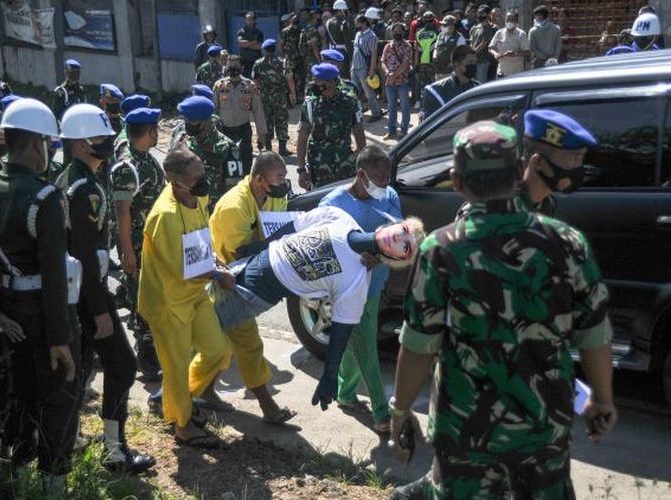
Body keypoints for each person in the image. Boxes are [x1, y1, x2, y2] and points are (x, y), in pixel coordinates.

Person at [388, 120, 616, 499]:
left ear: (456, 181)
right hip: (545, 427)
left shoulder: (440, 249)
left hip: (466, 431)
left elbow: (418, 344)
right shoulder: (567, 241)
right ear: (518, 172)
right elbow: (595, 335)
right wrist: (602, 401)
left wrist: (401, 410)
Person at [0, 98, 79, 494]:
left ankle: (14, 472)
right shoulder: (45, 197)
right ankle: (53, 483)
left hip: (7, 312)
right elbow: (53, 275)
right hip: (45, 315)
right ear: (36, 145)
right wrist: (60, 339)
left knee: (19, 392)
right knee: (59, 397)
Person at [212, 205, 424, 411]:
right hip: (249, 264)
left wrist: (329, 375)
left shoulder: (357, 281)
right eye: (404, 230)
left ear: (396, 259)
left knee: (204, 330)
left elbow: (341, 330)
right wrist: (262, 245)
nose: (399, 238)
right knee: (194, 311)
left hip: (255, 295)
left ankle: (190, 402)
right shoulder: (337, 216)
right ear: (391, 225)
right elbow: (295, 226)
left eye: (405, 247)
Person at [55, 104, 155, 473]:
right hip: (87, 294)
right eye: (103, 139)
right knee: (123, 366)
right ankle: (114, 451)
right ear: (82, 144)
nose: (110, 144)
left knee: (80, 372)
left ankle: (74, 437)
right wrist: (99, 309)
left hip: (78, 292)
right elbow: (81, 254)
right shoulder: (85, 189)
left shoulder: (74, 178)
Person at [138, 148, 235, 449]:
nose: (203, 182)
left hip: (194, 293)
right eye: (196, 178)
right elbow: (182, 268)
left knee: (218, 350)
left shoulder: (197, 197)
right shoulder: (164, 217)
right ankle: (183, 426)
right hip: (167, 302)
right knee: (176, 366)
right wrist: (218, 275)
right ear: (174, 181)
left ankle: (175, 401)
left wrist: (217, 262)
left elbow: (201, 241)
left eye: (202, 173)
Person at [207, 151, 297, 424]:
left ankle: (201, 392)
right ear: (259, 180)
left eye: (284, 176)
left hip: (243, 275)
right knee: (240, 344)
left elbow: (276, 231)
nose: (284, 183)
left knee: (225, 346)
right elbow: (238, 253)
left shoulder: (275, 195)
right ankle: (267, 405)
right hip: (222, 279)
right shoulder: (235, 206)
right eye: (278, 177)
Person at [318, 145, 400, 433]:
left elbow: (398, 234)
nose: (385, 183)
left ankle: (346, 393)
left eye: (387, 176)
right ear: (361, 175)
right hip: (347, 288)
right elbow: (321, 245)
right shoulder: (333, 203)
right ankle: (381, 412)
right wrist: (354, 255)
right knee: (367, 345)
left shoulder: (389, 196)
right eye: (379, 177)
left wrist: (379, 254)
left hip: (374, 283)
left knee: (359, 340)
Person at [110, 107, 165, 381]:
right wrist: (128, 252)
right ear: (150, 131)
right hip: (136, 245)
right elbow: (122, 210)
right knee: (142, 303)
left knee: (146, 295)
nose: (158, 133)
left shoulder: (146, 159)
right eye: (156, 129)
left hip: (150, 244)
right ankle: (147, 358)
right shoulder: (128, 165)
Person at [297, 63, 366, 190]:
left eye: (318, 81)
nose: (315, 84)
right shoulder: (310, 104)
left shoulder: (351, 102)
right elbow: (302, 138)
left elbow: (359, 134)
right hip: (319, 170)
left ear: (331, 82)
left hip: (344, 167)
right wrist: (301, 170)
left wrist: (362, 166)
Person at [175, 96, 242, 207]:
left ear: (206, 121)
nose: (187, 124)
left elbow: (234, 189)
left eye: (191, 120)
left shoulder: (227, 148)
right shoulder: (184, 142)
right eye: (186, 120)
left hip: (215, 213)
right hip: (188, 212)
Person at [212, 55, 267, 174]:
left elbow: (258, 111)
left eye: (235, 66)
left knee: (245, 160)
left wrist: (261, 134)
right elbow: (213, 111)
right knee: (224, 161)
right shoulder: (219, 86)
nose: (232, 69)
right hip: (224, 131)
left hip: (243, 130)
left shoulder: (250, 86)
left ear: (242, 68)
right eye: (229, 66)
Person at [253, 39, 297, 156]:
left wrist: (257, 94)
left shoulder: (258, 63)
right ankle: (282, 148)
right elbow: (289, 79)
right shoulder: (283, 62)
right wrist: (293, 94)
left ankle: (268, 148)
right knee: (281, 120)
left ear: (264, 50)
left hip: (264, 97)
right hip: (279, 96)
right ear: (275, 49)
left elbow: (255, 80)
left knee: (267, 121)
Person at [422, 45, 478, 120]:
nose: (474, 65)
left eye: (475, 62)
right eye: (470, 62)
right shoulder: (437, 91)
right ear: (457, 65)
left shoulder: (478, 87)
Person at [381, 22, 413, 139]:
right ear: (392, 32)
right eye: (395, 30)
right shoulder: (387, 46)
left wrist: (393, 75)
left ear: (403, 32)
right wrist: (387, 73)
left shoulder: (407, 46)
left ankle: (404, 131)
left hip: (402, 82)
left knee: (405, 107)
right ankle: (391, 132)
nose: (397, 32)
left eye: (400, 30)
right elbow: (383, 61)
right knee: (391, 107)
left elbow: (405, 64)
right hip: (389, 83)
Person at [53, 59, 87, 167]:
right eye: (73, 73)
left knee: (82, 157)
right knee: (69, 160)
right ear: (67, 73)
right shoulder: (61, 92)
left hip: (81, 131)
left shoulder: (80, 90)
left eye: (77, 73)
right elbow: (57, 113)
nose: (76, 76)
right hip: (68, 132)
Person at [351, 15, 383, 123]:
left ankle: (376, 113)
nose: (356, 25)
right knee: (354, 92)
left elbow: (374, 54)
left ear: (363, 23)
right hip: (354, 67)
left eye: (357, 22)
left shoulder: (372, 36)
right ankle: (358, 110)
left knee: (369, 92)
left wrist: (372, 70)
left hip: (364, 68)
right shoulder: (357, 34)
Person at [489, 11, 530, 77]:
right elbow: (491, 48)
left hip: (516, 73)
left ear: (516, 21)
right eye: (507, 19)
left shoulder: (521, 34)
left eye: (512, 20)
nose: (509, 22)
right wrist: (496, 54)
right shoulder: (499, 33)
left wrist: (515, 54)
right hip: (501, 72)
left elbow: (527, 52)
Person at [414, 11, 438, 109]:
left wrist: (416, 63)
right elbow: (417, 49)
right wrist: (416, 63)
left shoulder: (419, 33)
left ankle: (423, 101)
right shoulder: (437, 32)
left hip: (428, 61)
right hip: (427, 61)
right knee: (422, 82)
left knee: (425, 82)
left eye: (430, 20)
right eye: (427, 21)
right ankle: (419, 101)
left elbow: (417, 50)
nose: (429, 22)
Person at [432, 15, 467, 80]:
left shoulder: (459, 38)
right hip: (439, 69)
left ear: (452, 26)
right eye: (443, 25)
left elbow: (462, 54)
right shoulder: (440, 35)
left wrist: (452, 63)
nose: (443, 27)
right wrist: (434, 55)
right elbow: (436, 48)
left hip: (451, 71)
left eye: (445, 25)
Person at [281, 13, 306, 102]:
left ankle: (299, 97)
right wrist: (283, 56)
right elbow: (281, 44)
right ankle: (290, 98)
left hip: (298, 58)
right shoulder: (285, 31)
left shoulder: (300, 31)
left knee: (299, 78)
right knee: (289, 78)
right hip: (289, 58)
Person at [327, 1, 355, 77]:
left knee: (334, 75)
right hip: (342, 52)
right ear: (341, 10)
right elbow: (347, 41)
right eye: (345, 11)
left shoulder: (328, 22)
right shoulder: (343, 23)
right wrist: (351, 56)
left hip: (332, 52)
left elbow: (327, 39)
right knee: (344, 76)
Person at [468, 5, 496, 83]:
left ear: (488, 15)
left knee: (480, 82)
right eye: (478, 13)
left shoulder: (489, 28)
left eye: (482, 13)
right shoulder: (474, 28)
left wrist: (473, 53)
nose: (480, 15)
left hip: (483, 60)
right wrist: (470, 53)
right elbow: (471, 42)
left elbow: (484, 43)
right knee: (472, 82)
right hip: (473, 60)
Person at [529, 5, 562, 69]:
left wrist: (544, 57)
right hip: (553, 62)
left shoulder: (533, 31)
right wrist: (554, 58)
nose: (535, 18)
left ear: (540, 16)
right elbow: (558, 46)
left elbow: (532, 48)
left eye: (535, 16)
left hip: (538, 62)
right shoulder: (556, 28)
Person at [238, 12, 264, 79]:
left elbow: (259, 46)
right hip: (244, 63)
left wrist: (246, 45)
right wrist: (254, 41)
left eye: (251, 19)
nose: (249, 21)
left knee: (256, 81)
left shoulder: (259, 33)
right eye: (247, 19)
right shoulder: (241, 32)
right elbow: (241, 44)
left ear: (255, 20)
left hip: (256, 62)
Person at [301, 9, 324, 75]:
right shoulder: (313, 30)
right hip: (312, 58)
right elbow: (314, 47)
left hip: (306, 58)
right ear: (314, 17)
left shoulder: (305, 29)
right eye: (318, 17)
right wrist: (319, 61)